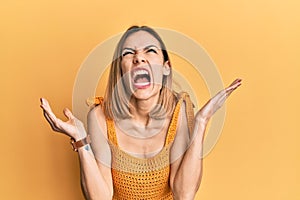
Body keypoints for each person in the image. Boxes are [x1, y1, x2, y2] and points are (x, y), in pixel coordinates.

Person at [40, 26, 241, 200]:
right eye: (128, 53)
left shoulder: (180, 109)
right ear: (121, 70)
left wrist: (201, 122)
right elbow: (100, 197)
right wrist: (81, 140)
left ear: (165, 68)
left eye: (150, 50)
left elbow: (184, 195)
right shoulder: (100, 117)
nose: (139, 58)